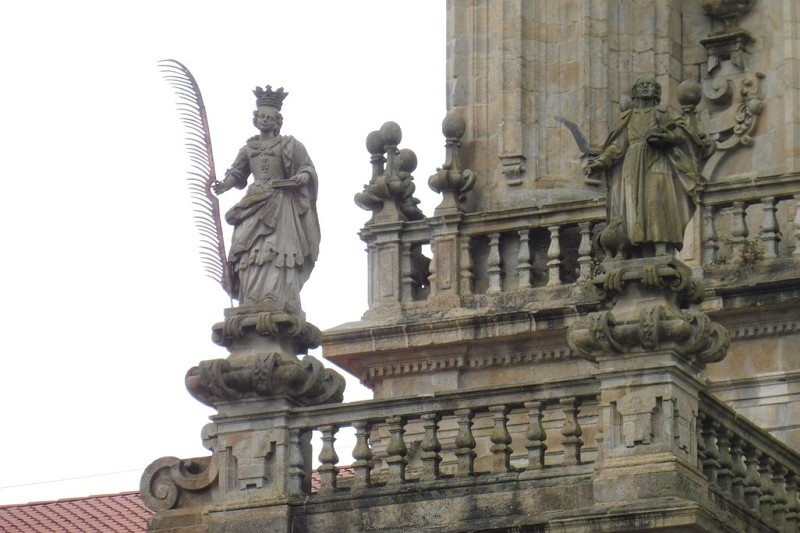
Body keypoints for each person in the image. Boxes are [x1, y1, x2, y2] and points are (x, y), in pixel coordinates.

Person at [213, 86, 320, 312]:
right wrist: (223, 185)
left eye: (269, 117)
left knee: (277, 249)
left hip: (281, 202)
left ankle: (276, 294)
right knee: (246, 248)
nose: (264, 120)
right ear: (255, 119)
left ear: (277, 121)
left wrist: (303, 176)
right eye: (261, 116)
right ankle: (250, 298)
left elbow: (307, 168)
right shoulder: (248, 149)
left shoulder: (289, 145)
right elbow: (237, 173)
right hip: (254, 202)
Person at [586, 76, 703, 258]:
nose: (646, 87)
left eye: (650, 85)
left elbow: (682, 132)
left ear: (657, 92)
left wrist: (668, 137)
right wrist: (601, 162)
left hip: (658, 159)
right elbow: (617, 146)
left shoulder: (663, 112)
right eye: (642, 85)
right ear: (635, 92)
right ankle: (636, 249)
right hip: (632, 163)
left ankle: (661, 247)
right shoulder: (628, 117)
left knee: (656, 201)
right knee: (633, 206)